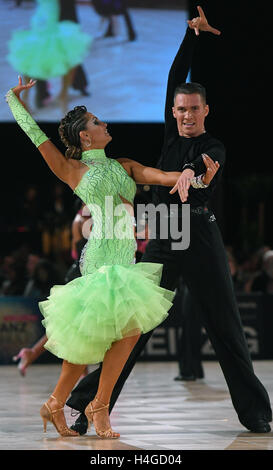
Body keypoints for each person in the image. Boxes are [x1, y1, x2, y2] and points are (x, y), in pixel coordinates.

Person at [66, 6, 272, 435]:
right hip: (163, 230)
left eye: (193, 109)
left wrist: (196, 175)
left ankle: (255, 412)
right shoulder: (169, 134)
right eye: (180, 109)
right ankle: (89, 404)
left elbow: (205, 166)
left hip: (199, 231)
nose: (185, 114)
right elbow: (172, 77)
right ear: (174, 111)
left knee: (226, 326)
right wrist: (190, 36)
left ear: (205, 111)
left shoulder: (213, 145)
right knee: (133, 329)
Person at [6, 72, 217, 438]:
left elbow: (162, 176)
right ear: (86, 136)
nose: (105, 124)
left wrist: (194, 177)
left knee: (112, 335)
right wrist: (14, 99)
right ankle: (92, 407)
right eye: (97, 122)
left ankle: (62, 404)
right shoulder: (73, 170)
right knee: (106, 336)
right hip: (102, 260)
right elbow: (36, 137)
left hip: (126, 260)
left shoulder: (124, 166)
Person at [7, 0, 92, 112]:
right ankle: (31, 97)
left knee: (66, 54)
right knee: (37, 56)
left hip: (53, 14)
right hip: (45, 16)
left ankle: (61, 95)